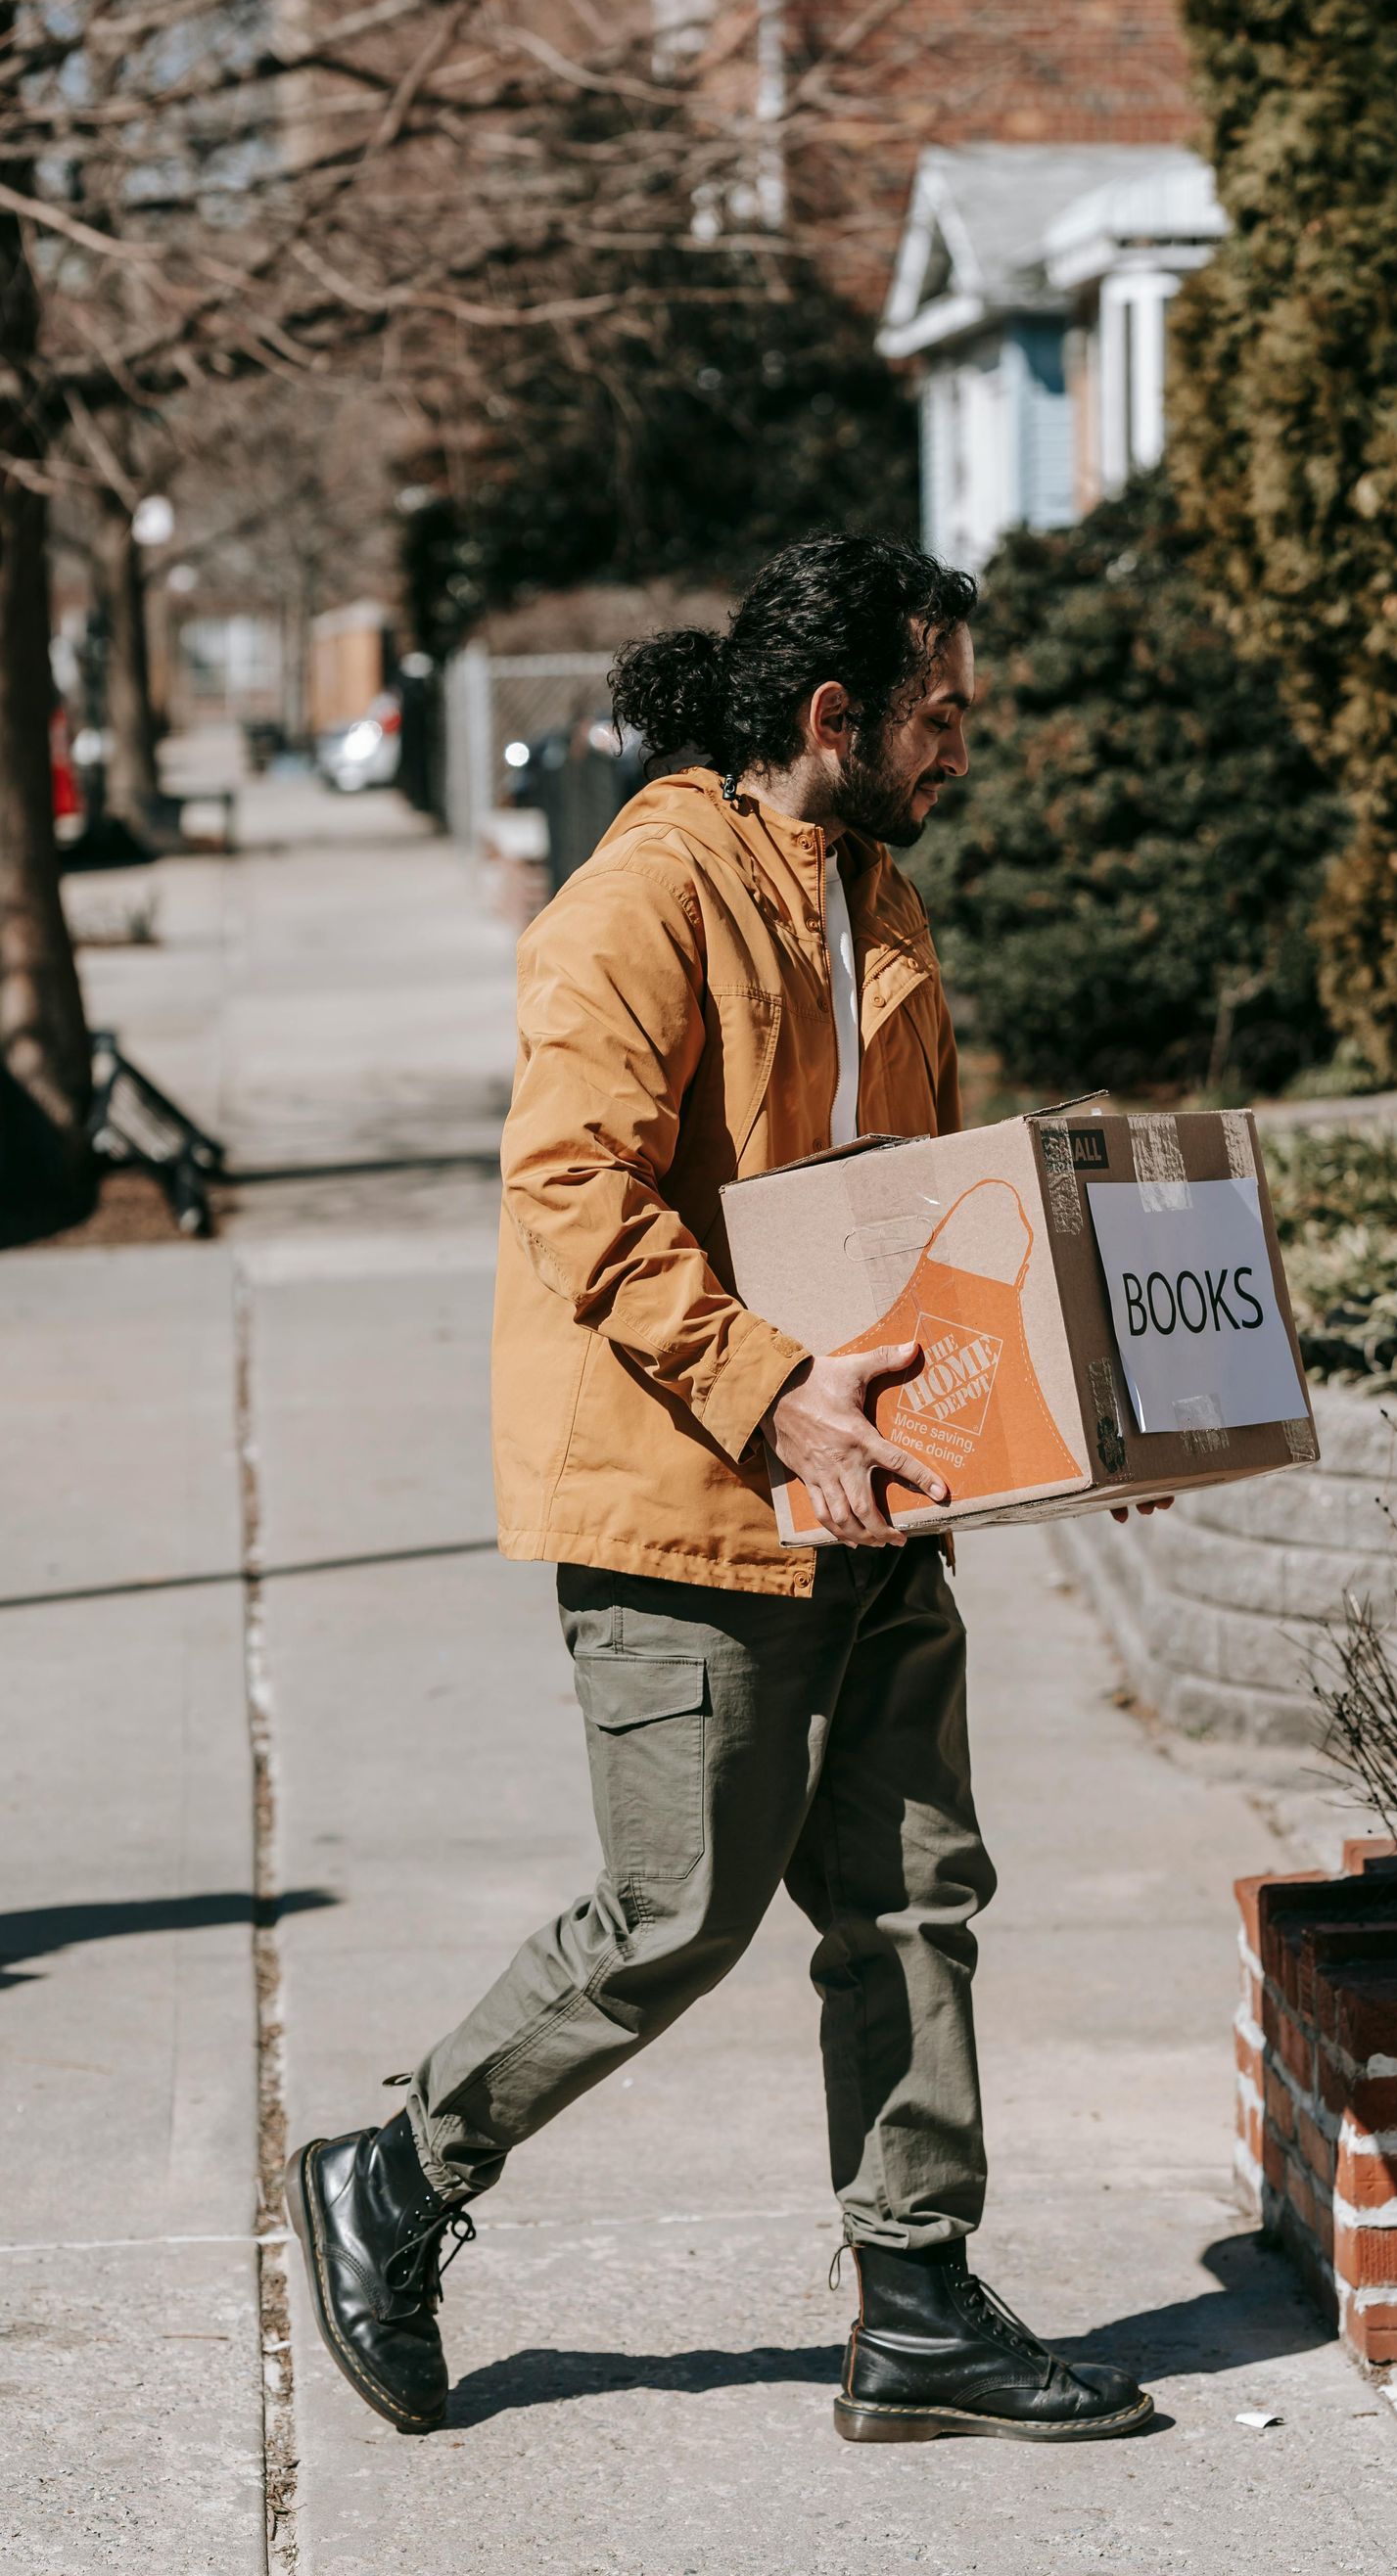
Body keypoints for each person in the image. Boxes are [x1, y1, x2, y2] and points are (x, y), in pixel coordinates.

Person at [286, 534, 1166, 2447]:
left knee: (915, 1897)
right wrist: (774, 1398)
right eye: (941, 716)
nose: (964, 750)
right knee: (676, 1912)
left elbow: (926, 1218)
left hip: (881, 1493)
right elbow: (575, 1192)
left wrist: (1088, 1417)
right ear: (832, 715)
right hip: (692, 1498)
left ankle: (917, 2299)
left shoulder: (886, 901)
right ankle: (402, 2171)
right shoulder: (649, 896)